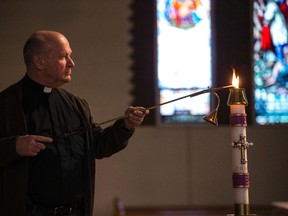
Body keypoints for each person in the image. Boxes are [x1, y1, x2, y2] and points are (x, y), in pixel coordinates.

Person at [0, 30, 149, 216]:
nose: (72, 63)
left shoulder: (76, 105)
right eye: (64, 57)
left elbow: (98, 146)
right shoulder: (6, 104)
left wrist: (126, 126)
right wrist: (14, 146)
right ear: (40, 62)